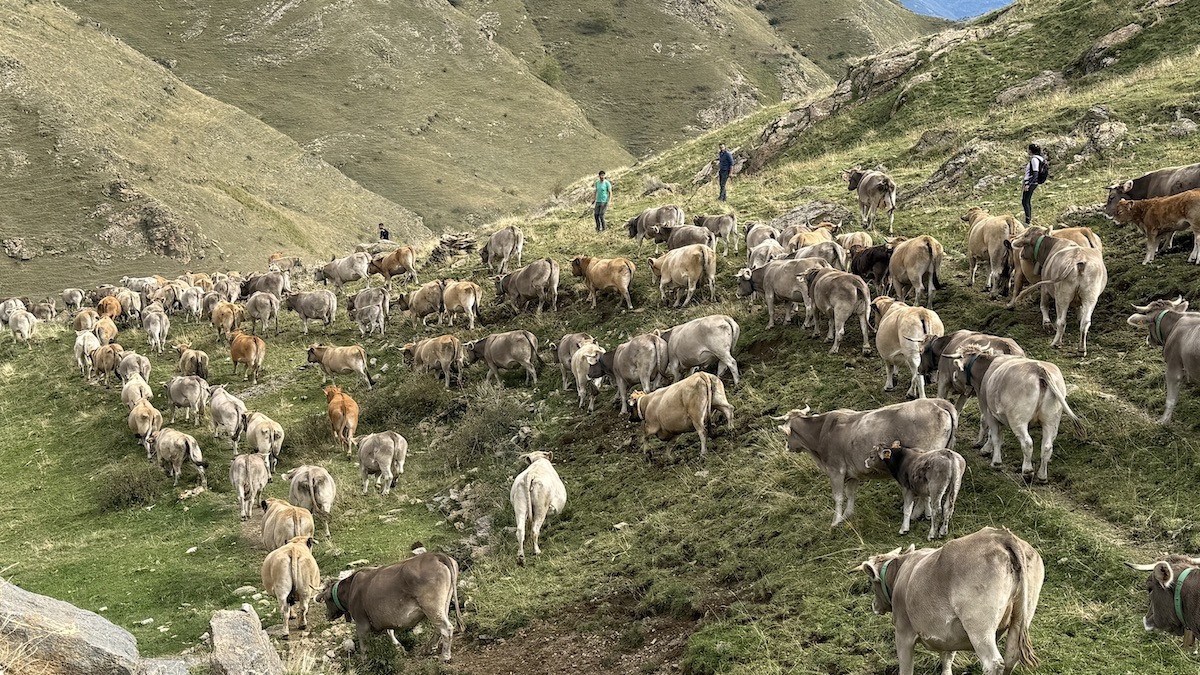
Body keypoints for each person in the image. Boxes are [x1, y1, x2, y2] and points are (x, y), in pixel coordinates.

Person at [1021, 143, 1046, 225]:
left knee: (1025, 201)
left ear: (1031, 151)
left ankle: (1028, 221)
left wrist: (1028, 184)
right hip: (1033, 182)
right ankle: (1028, 219)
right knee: (1026, 200)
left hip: (1031, 182)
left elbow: (1035, 172)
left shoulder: (1034, 160)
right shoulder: (1040, 159)